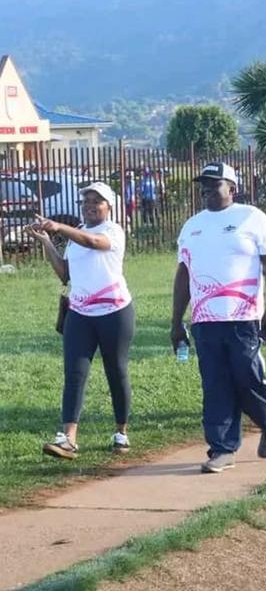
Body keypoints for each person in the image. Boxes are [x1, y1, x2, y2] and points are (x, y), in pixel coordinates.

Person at [171, 163, 266, 474]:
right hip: (205, 319)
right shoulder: (192, 225)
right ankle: (222, 448)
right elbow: (183, 275)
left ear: (232, 188)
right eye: (203, 184)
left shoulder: (252, 217)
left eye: (214, 183)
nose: (206, 188)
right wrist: (176, 321)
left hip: (244, 316)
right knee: (215, 384)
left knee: (246, 377)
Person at [33, 182, 135, 460]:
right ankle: (68, 438)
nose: (90, 205)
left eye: (97, 201)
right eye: (86, 200)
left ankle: (121, 431)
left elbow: (94, 243)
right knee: (74, 374)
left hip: (114, 312)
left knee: (116, 370)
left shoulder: (112, 231)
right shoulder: (77, 234)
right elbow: (65, 273)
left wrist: (59, 227)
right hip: (79, 313)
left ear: (109, 206)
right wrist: (47, 242)